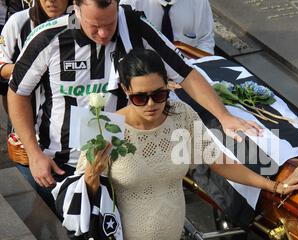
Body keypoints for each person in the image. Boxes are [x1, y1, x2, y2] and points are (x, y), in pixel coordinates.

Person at [59, 48, 298, 240]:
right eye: (141, 97)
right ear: (126, 90)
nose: (151, 104)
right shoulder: (103, 127)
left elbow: (219, 161)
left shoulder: (181, 116)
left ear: (169, 86)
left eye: (159, 95)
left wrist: (274, 186)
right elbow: (79, 200)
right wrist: (91, 177)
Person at [7, 0, 260, 212]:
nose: (104, 34)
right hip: (58, 164)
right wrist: (33, 152)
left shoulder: (135, 26)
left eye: (109, 24)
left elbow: (185, 73)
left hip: (119, 163)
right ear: (76, 8)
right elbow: (17, 93)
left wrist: (224, 116)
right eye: (94, 26)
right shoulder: (48, 38)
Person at [0, 0, 71, 106]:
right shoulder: (18, 21)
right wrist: (33, 68)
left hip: (67, 115)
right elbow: (2, 67)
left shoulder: (81, 23)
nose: (51, 0)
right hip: (27, 111)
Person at [121, 0, 215, 54]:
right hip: (148, 71)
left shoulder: (199, 2)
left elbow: (205, 40)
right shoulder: (131, 3)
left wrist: (201, 69)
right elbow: (127, 48)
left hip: (191, 69)